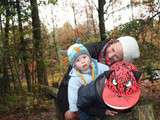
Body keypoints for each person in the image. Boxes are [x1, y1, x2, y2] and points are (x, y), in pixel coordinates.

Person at [57, 36, 140, 119]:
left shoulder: (116, 67)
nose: (111, 55)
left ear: (121, 60)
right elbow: (68, 83)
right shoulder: (84, 53)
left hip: (96, 102)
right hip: (80, 100)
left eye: (116, 57)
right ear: (111, 42)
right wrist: (67, 110)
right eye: (113, 50)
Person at [77, 61, 142, 120]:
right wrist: (102, 111)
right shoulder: (88, 93)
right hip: (90, 107)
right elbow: (81, 105)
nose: (119, 105)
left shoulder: (133, 84)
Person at [65, 43, 109, 120]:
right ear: (74, 65)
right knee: (84, 116)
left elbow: (108, 71)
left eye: (84, 57)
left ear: (89, 56)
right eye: (78, 60)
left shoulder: (98, 67)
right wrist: (74, 109)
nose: (83, 61)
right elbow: (72, 94)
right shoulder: (75, 79)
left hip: (100, 99)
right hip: (85, 105)